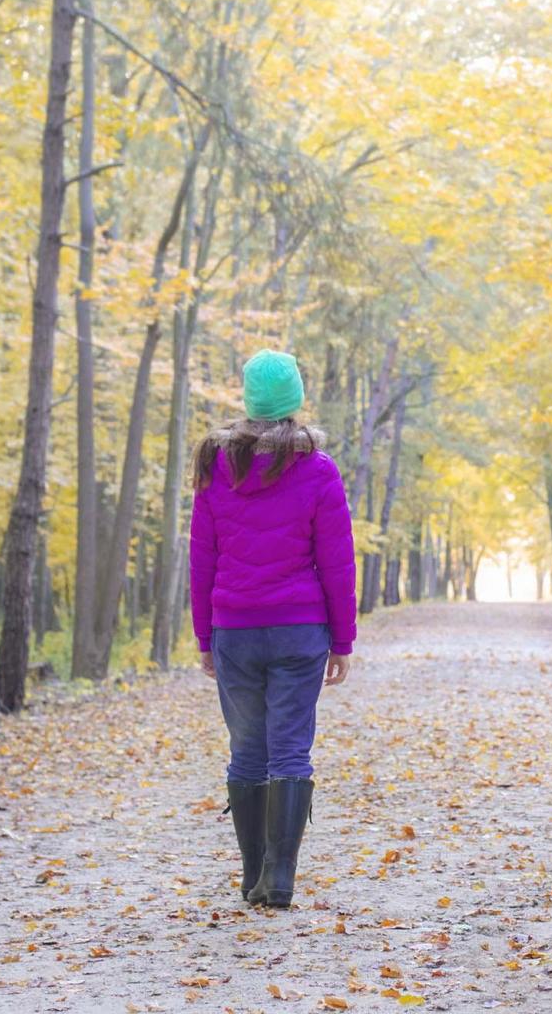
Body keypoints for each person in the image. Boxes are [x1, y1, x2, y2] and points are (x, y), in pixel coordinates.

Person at [190, 349, 356, 909]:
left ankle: (252, 875)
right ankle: (278, 877)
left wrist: (204, 636)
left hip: (235, 627)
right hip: (299, 631)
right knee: (289, 747)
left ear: (248, 401)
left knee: (247, 748)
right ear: (295, 401)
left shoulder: (216, 467)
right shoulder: (319, 468)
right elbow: (337, 561)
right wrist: (342, 638)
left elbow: (202, 557)